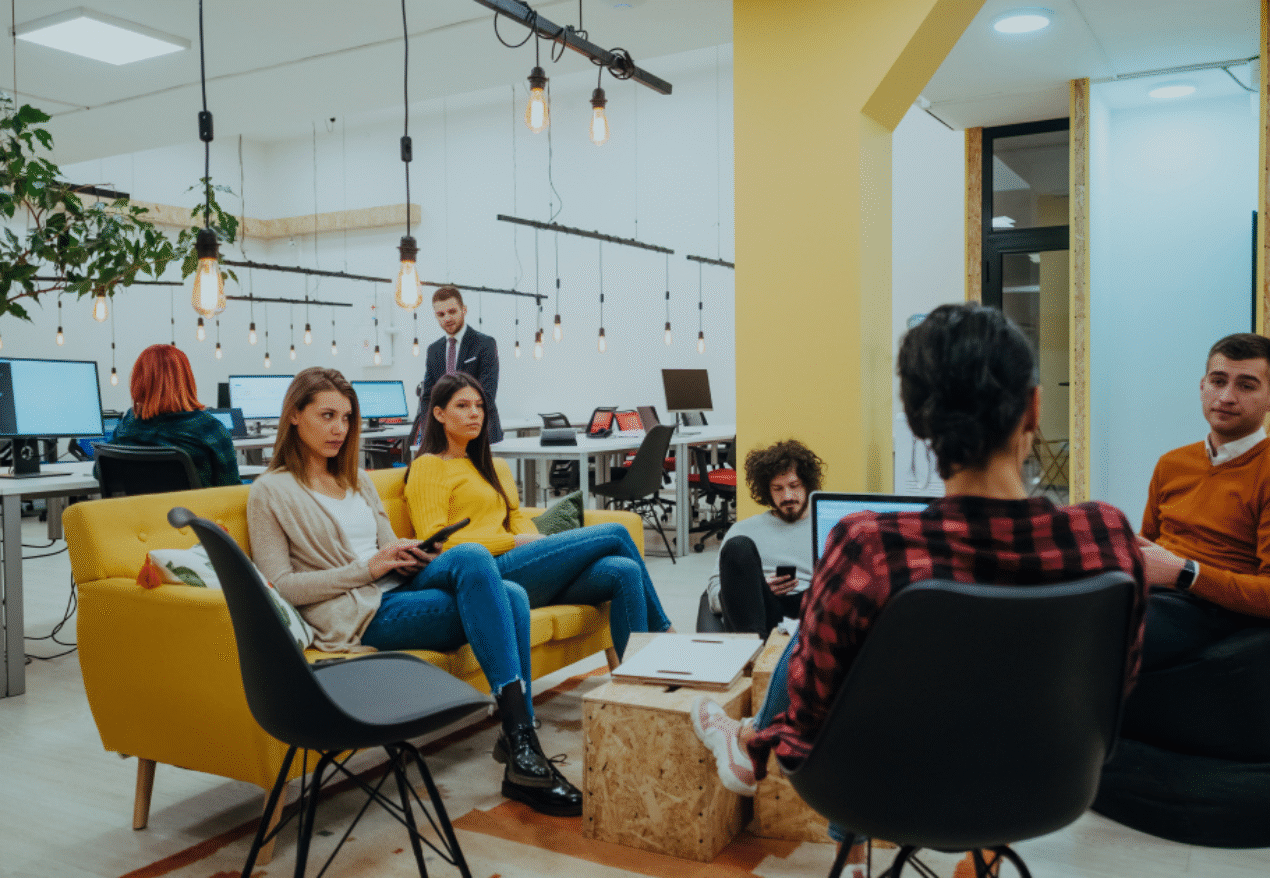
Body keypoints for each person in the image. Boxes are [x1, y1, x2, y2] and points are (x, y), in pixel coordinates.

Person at [689, 303, 1148, 872]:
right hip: (1048, 787)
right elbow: (1112, 691)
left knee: (815, 654)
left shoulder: (870, 549)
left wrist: (774, 733)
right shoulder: (1107, 539)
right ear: (1034, 408)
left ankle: (749, 747)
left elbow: (809, 715)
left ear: (917, 420)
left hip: (881, 792)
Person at [246, 367, 581, 817]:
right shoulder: (270, 491)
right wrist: (366, 569)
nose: (338, 429)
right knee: (512, 596)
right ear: (293, 416)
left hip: (400, 583)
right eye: (327, 415)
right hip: (360, 611)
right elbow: (280, 587)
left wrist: (406, 552)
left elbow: (386, 543)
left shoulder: (356, 480)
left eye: (346, 418)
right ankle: (523, 743)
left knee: (477, 560)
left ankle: (519, 741)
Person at [404, 372, 672, 661]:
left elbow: (516, 517)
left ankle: (637, 677)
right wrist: (511, 542)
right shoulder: (429, 466)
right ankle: (666, 635)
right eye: (463, 406)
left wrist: (541, 545)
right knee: (617, 533)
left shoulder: (493, 467)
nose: (475, 414)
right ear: (439, 414)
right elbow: (436, 545)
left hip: (523, 566)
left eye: (480, 406)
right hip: (485, 572)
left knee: (623, 570)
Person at [1137, 332, 1270, 669]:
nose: (1226, 397)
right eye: (1218, 381)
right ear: (1202, 386)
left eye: (1247, 385)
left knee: (1106, 632)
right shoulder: (1172, 464)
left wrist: (1186, 572)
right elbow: (1150, 547)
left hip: (1218, 610)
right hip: (1160, 596)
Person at [704, 440, 824, 638]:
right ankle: (753, 658)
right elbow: (715, 594)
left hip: (812, 609)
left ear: (807, 485)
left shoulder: (827, 526)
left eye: (794, 486)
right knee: (738, 547)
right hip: (761, 613)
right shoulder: (744, 529)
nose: (787, 496)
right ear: (767, 491)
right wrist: (753, 589)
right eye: (778, 489)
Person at [101, 343, 240, 488]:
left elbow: (100, 471)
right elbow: (231, 486)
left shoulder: (129, 424)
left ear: (139, 381)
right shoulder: (209, 428)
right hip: (193, 510)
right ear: (186, 380)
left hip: (139, 510)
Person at [416, 286, 503, 443]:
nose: (447, 318)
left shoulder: (485, 344)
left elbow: (487, 395)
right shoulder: (434, 350)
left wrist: (454, 419)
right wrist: (430, 432)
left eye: (452, 311)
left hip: (480, 435)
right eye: (441, 314)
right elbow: (428, 396)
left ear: (464, 310)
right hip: (445, 438)